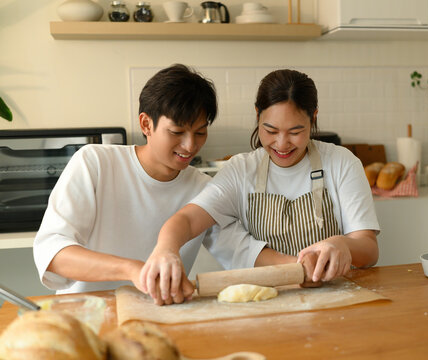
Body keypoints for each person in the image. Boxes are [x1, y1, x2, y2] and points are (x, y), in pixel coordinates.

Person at [141, 69, 380, 304]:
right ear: (257, 115)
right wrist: (166, 249)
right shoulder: (241, 170)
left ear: (313, 117)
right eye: (271, 130)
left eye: (295, 132)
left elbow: (369, 250)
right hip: (268, 302)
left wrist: (341, 244)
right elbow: (187, 220)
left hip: (337, 298)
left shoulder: (341, 163)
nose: (282, 143)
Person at [33, 64, 265, 305]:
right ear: (146, 124)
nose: (190, 146)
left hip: (155, 315)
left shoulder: (203, 187)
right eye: (177, 132)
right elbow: (53, 253)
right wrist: (133, 270)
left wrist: (301, 266)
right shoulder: (96, 163)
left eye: (200, 133)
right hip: (84, 315)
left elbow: (241, 251)